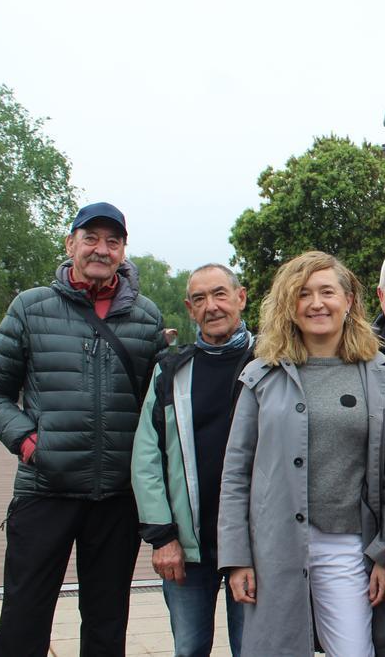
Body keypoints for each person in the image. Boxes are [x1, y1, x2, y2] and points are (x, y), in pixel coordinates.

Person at [0, 202, 165, 656]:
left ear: (123, 250)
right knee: (23, 618)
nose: (101, 249)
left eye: (112, 241)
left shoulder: (146, 317)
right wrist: (27, 442)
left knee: (106, 622)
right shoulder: (31, 307)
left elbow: (155, 407)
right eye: (91, 239)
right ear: (70, 244)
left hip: (116, 499)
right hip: (45, 490)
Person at [217, 251, 385, 656]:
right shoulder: (262, 374)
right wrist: (236, 557)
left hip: (348, 545)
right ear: (290, 303)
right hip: (276, 546)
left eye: (327, 292)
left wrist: (384, 554)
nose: (316, 303)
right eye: (304, 294)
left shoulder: (379, 373)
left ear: (349, 300)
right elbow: (237, 471)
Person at [131, 263, 253, 656]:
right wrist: (162, 536)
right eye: (199, 299)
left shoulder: (270, 363)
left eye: (220, 294)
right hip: (187, 545)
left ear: (241, 297)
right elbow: (146, 456)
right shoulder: (171, 370)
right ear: (189, 308)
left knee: (253, 648)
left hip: (253, 545)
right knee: (189, 648)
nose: (211, 306)